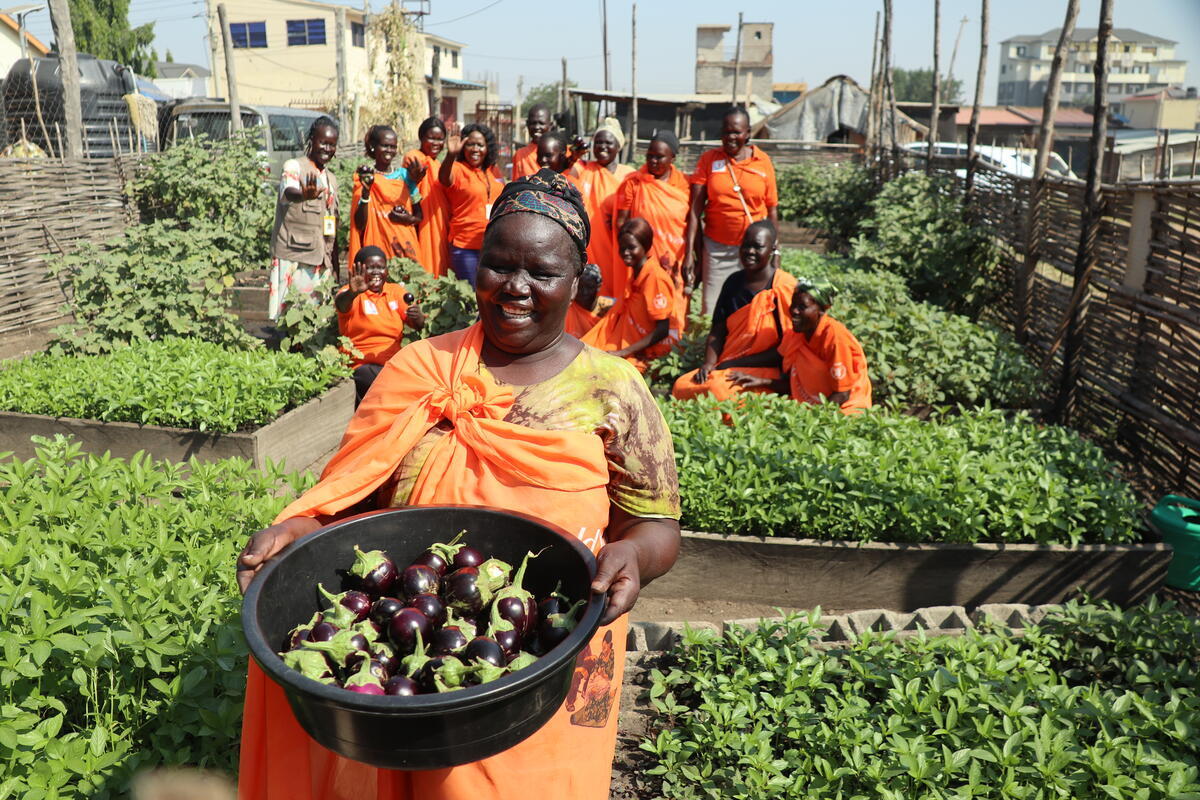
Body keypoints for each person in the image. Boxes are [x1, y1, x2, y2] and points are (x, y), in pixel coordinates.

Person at [236, 168, 681, 800]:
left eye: (542, 273)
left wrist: (633, 555)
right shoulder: (420, 368)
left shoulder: (614, 390)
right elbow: (352, 501)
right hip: (414, 652)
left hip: (546, 652)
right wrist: (296, 531)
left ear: (579, 281)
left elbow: (655, 526)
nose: (515, 289)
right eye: (499, 266)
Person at [672, 220, 795, 401]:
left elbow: (786, 349)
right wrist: (709, 364)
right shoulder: (733, 281)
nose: (750, 252)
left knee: (717, 390)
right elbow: (717, 331)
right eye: (746, 246)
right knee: (681, 385)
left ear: (772, 248)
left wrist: (734, 364)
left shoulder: (783, 287)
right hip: (727, 366)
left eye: (757, 247)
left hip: (767, 370)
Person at [683, 106, 779, 314]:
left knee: (750, 308)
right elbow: (694, 211)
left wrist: (776, 250)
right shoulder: (709, 160)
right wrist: (690, 254)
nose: (731, 137)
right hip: (717, 249)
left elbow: (772, 211)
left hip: (754, 251)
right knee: (711, 309)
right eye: (726, 132)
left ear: (748, 133)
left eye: (737, 132)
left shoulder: (762, 162)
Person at [729, 278, 872, 414]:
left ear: (821, 310)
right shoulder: (797, 335)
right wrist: (759, 380)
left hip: (843, 412)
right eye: (793, 305)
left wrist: (814, 423)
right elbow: (794, 383)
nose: (794, 311)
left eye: (802, 307)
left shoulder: (835, 337)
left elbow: (842, 394)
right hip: (811, 407)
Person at [268, 116, 340, 320]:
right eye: (323, 142)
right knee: (290, 314)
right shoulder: (294, 167)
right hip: (294, 254)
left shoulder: (331, 179)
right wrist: (304, 195)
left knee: (315, 317)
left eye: (332, 145)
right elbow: (288, 192)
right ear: (311, 140)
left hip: (320, 256)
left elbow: (332, 222)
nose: (327, 149)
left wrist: (334, 264)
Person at [336, 245, 426, 405]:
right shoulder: (350, 293)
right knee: (381, 380)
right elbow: (341, 305)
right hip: (361, 365)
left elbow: (418, 325)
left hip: (393, 364)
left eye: (381, 267)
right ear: (358, 269)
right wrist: (352, 292)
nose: (376, 272)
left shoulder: (395, 292)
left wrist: (418, 318)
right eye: (370, 268)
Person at [582, 218, 676, 373]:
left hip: (647, 354)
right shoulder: (636, 274)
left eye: (631, 247)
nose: (625, 253)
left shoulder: (655, 278)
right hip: (625, 343)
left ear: (645, 247)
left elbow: (662, 330)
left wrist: (623, 353)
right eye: (622, 248)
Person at [570, 119, 635, 302]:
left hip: (617, 244)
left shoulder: (628, 175)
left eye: (608, 142)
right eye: (598, 142)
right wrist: (573, 154)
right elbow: (563, 168)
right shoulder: (583, 169)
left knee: (617, 290)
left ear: (618, 146)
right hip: (589, 245)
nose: (602, 147)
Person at [348, 125, 424, 271]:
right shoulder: (365, 178)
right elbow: (359, 223)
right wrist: (366, 192)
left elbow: (419, 215)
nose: (389, 150)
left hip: (404, 245)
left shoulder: (405, 176)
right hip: (377, 245)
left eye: (393, 147)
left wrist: (407, 219)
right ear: (373, 147)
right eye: (384, 145)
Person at [439, 122, 505, 287]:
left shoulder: (493, 171)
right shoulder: (457, 168)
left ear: (487, 148)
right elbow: (443, 178)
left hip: (493, 245)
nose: (475, 149)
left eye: (480, 145)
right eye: (470, 144)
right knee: (473, 297)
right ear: (463, 147)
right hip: (465, 247)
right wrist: (450, 155)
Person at [404, 117, 451, 277]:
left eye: (440, 139)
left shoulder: (439, 164)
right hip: (421, 220)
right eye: (431, 138)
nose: (436, 143)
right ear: (421, 138)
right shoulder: (414, 157)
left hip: (440, 223)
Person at [564, 263, 607, 338]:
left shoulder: (609, 308)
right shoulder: (565, 309)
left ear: (599, 286)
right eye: (580, 287)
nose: (584, 292)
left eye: (590, 287)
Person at [510, 104, 552, 180]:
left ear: (551, 125)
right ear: (527, 124)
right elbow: (516, 186)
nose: (537, 127)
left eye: (541, 123)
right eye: (533, 123)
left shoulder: (561, 152)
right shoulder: (520, 155)